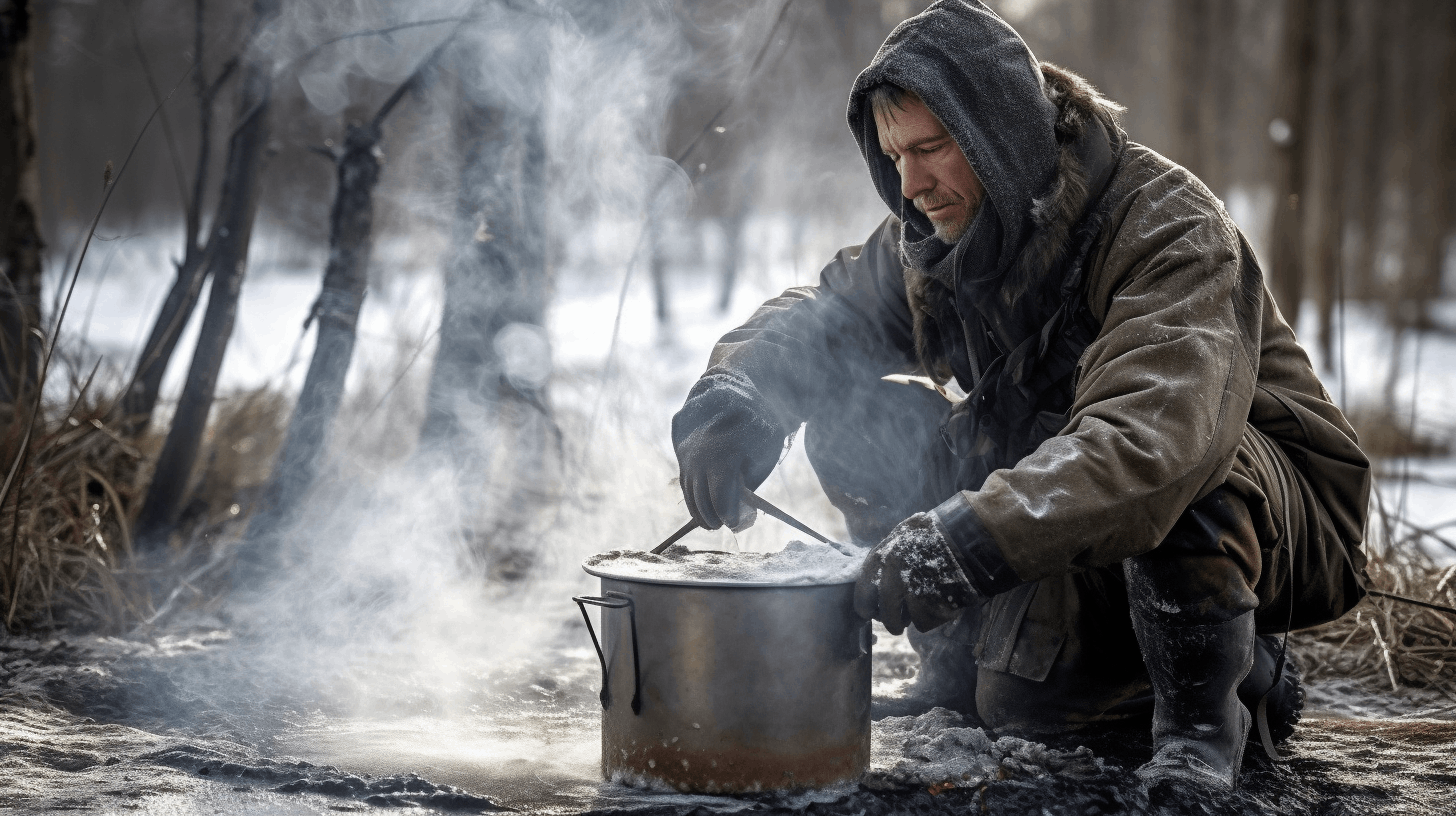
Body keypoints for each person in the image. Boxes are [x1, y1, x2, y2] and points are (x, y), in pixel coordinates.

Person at [669, 0, 1370, 793]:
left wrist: (959, 546)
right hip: (1078, 483)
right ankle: (954, 668)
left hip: (1257, 510)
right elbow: (823, 318)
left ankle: (1211, 719)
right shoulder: (941, 233)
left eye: (931, 148)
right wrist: (737, 398)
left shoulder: (1169, 229)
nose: (910, 183)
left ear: (999, 137)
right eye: (894, 154)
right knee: (861, 436)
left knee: (1195, 470)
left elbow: (1150, 446)